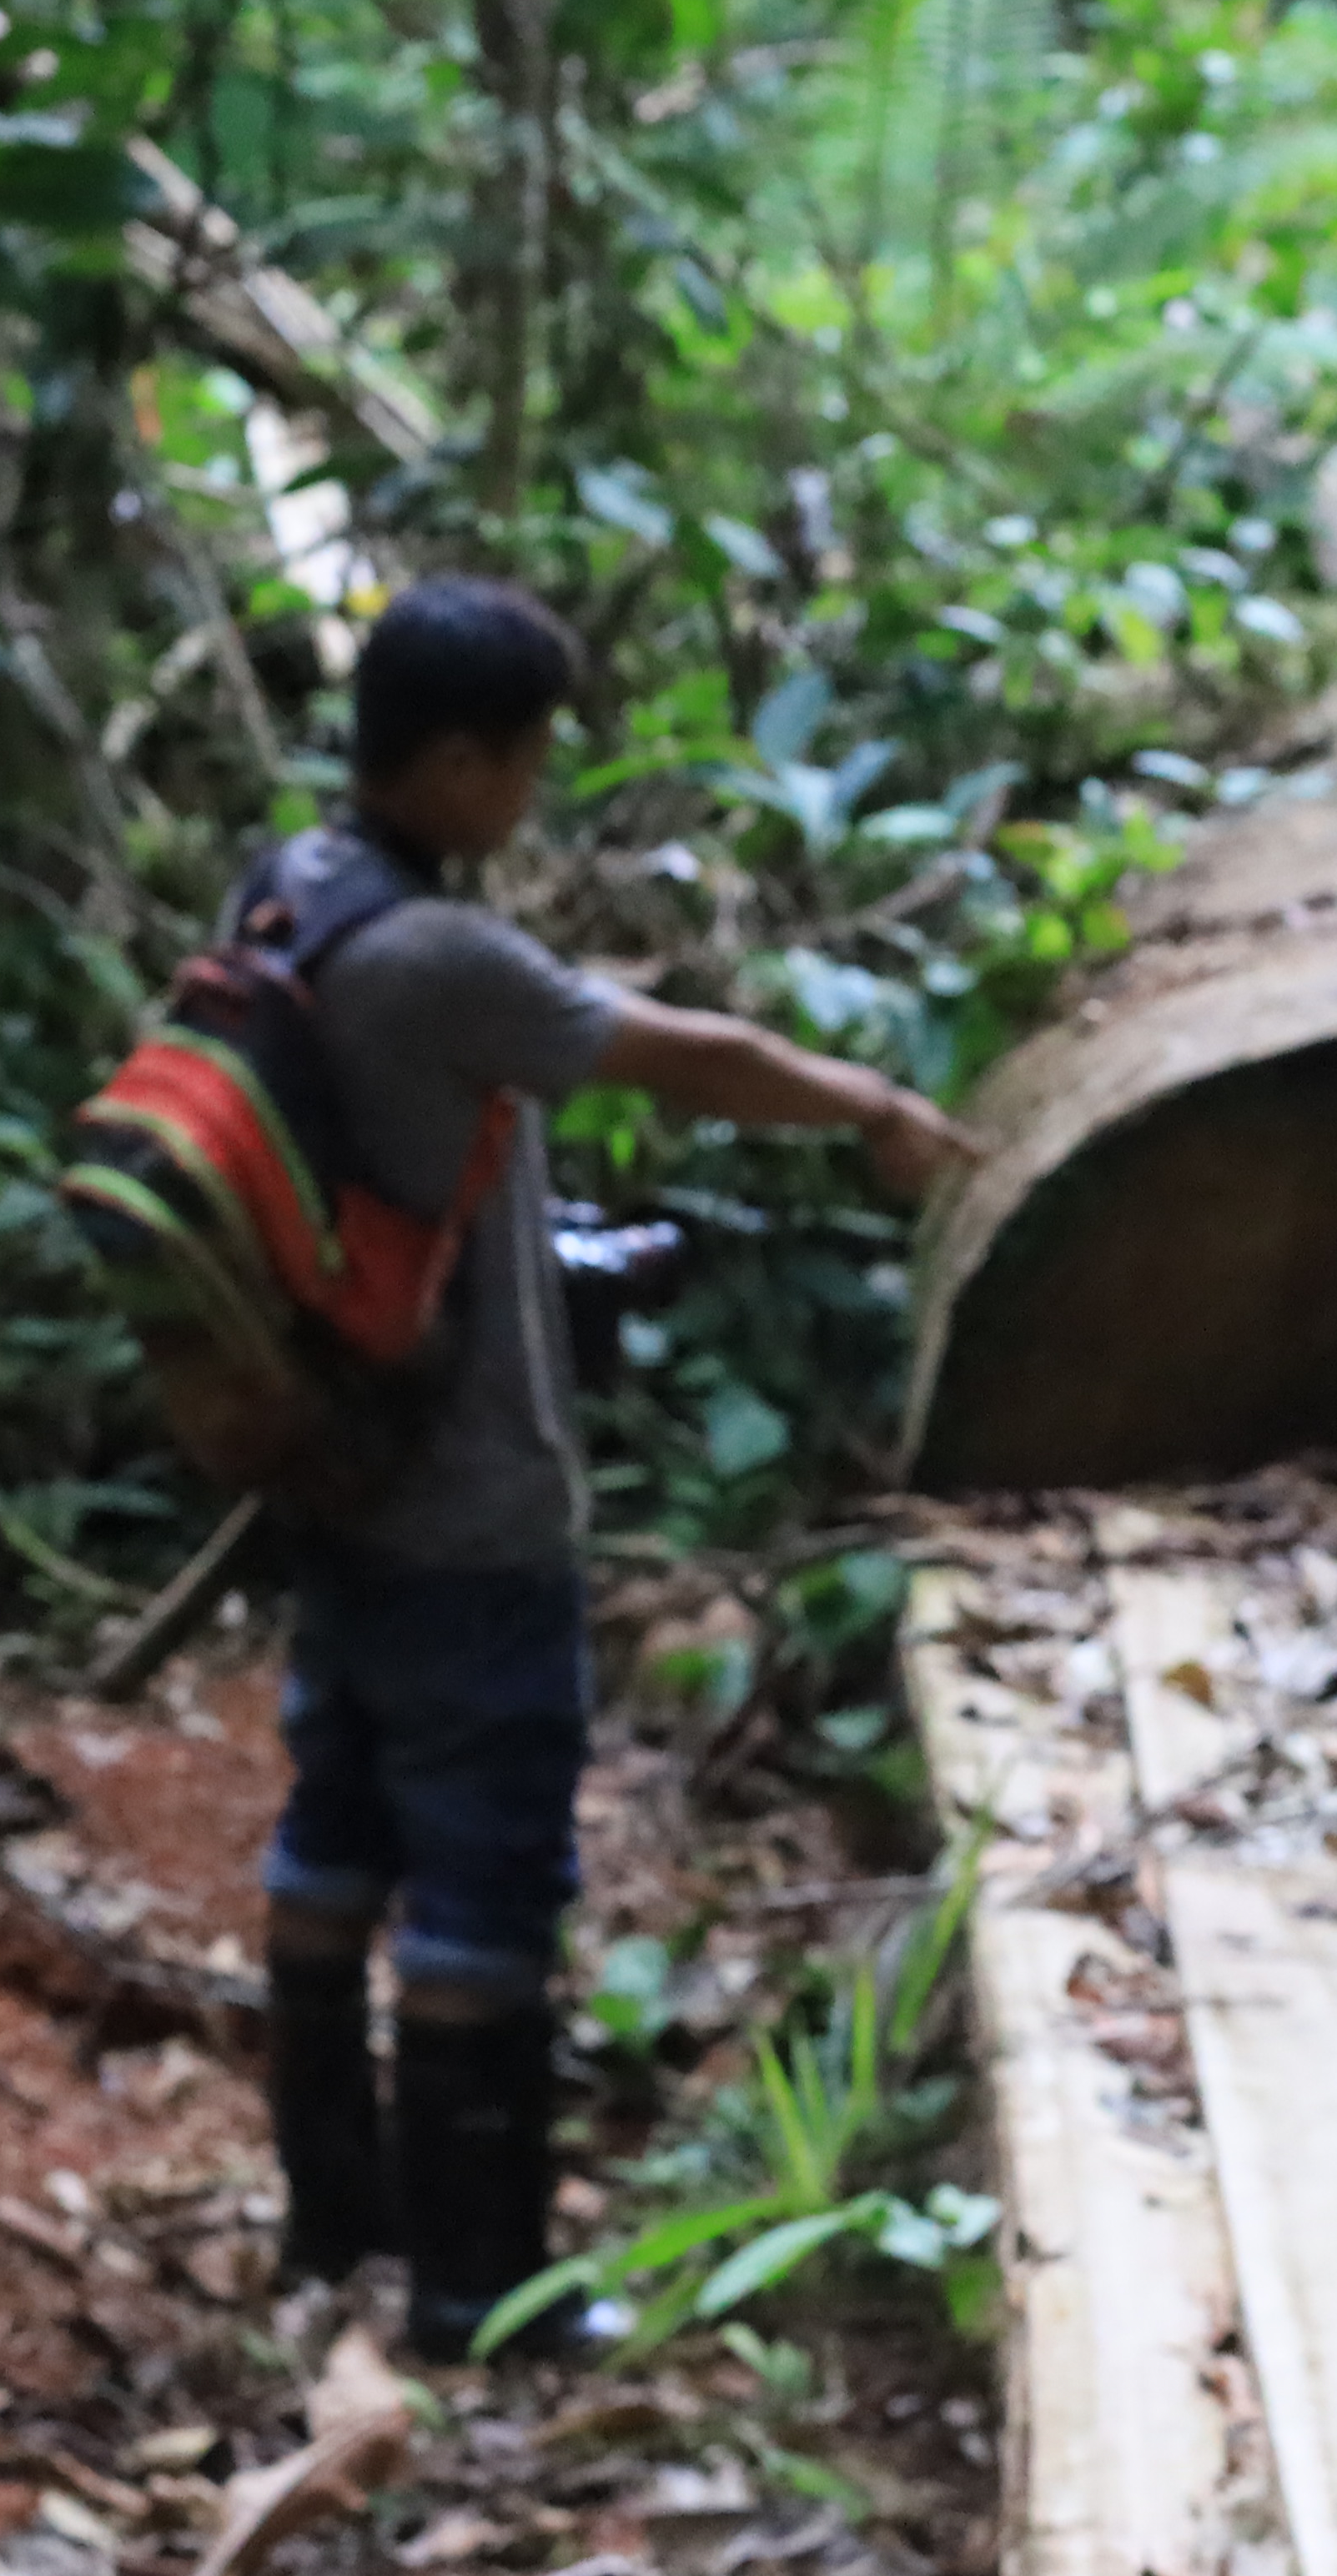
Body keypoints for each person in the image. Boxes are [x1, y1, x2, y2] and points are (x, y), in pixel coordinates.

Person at [240, 577, 973, 2360]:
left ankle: (334, 2218)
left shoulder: (299, 890)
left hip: (331, 1473)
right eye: (537, 757)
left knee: (335, 1833)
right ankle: (480, 2292)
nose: (544, 790)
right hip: (466, 1509)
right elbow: (686, 1055)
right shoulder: (436, 958)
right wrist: (878, 1110)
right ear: (467, 758)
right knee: (488, 1880)